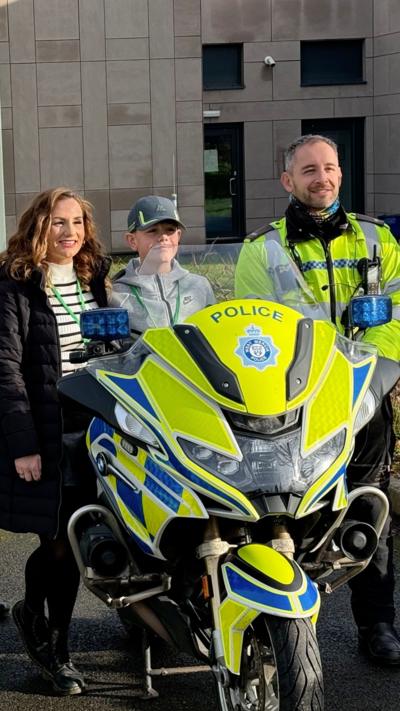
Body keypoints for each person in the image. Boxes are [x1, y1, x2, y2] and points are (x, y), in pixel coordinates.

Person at [235, 134, 400, 666]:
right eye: (308, 170)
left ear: (341, 174)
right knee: (282, 509)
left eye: (329, 167)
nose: (321, 178)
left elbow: (395, 311)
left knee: (369, 509)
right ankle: (282, 625)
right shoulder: (262, 249)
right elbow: (256, 335)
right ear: (288, 181)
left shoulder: (378, 239)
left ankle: (377, 625)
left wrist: (368, 376)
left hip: (364, 394)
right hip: (295, 405)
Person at [0, 188, 110, 694]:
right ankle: (54, 646)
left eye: (78, 224)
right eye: (59, 223)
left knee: (83, 537)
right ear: (37, 228)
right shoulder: (16, 285)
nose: (70, 234)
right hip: (47, 428)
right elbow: (5, 368)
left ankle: (38, 621)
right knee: (60, 541)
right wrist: (24, 444)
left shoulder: (94, 279)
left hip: (97, 425)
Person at [111, 195, 215, 332]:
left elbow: (214, 332)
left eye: (170, 230)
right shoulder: (116, 293)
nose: (163, 237)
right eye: (152, 231)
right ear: (132, 241)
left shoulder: (200, 285)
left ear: (178, 236)